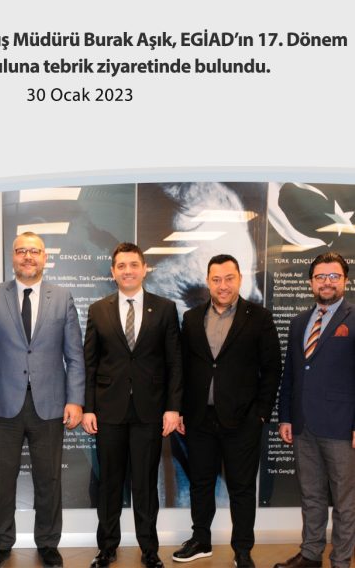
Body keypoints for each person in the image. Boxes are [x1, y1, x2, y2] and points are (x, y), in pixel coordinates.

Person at [0, 231, 85, 568]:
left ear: (45, 257)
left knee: (49, 479)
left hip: (50, 405)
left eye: (35, 251)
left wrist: (75, 400)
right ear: (13, 257)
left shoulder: (62, 297)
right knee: (2, 479)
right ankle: (1, 543)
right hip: (2, 405)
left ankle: (48, 543)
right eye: (22, 251)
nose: (28, 257)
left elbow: (74, 355)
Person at [172, 254, 281, 568]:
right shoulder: (192, 318)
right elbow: (183, 368)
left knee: (242, 488)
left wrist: (261, 413)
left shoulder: (259, 317)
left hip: (243, 420)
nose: (223, 285)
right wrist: (180, 410)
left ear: (239, 279)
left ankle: (242, 550)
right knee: (200, 483)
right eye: (216, 279)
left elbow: (272, 368)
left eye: (229, 278)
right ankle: (200, 540)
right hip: (199, 419)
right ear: (208, 281)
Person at [82, 242, 183, 568]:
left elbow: (175, 363)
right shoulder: (98, 310)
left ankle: (149, 550)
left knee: (145, 485)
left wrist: (173, 408)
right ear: (113, 272)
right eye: (121, 266)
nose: (128, 271)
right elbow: (90, 363)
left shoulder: (164, 308)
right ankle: (106, 548)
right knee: (109, 484)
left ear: (144, 269)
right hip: (108, 411)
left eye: (134, 265)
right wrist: (88, 408)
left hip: (149, 411)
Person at [274, 252, 355, 568]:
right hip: (303, 425)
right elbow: (291, 374)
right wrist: (285, 416)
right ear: (311, 282)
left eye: (334, 276)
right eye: (320, 276)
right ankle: (310, 554)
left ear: (345, 281)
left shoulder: (353, 318)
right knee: (311, 495)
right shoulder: (299, 323)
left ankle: (341, 560)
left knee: (345, 501)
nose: (327, 282)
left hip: (341, 427)